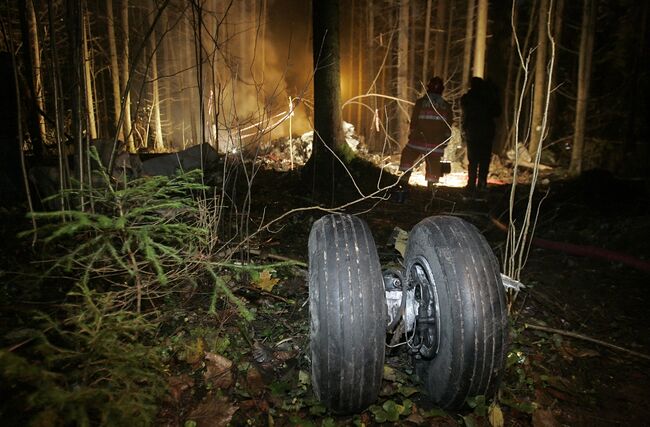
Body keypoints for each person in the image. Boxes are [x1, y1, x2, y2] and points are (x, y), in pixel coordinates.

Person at [396, 76, 452, 199]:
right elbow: (448, 127)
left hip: (417, 142)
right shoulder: (446, 106)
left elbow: (414, 122)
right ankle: (430, 195)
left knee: (407, 158)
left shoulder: (421, 103)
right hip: (436, 145)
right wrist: (444, 142)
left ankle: (402, 187)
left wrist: (414, 134)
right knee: (433, 168)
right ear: (442, 90)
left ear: (428, 88)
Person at [460, 76, 501, 191]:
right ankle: (481, 183)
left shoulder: (468, 98)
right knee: (484, 159)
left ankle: (471, 183)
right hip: (486, 133)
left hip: (473, 132)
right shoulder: (488, 98)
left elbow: (465, 111)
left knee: (473, 160)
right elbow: (497, 112)